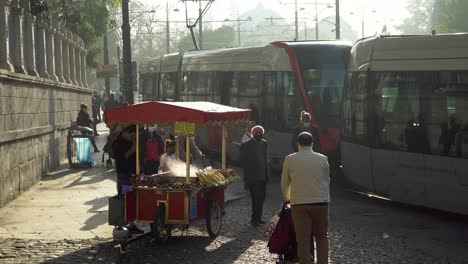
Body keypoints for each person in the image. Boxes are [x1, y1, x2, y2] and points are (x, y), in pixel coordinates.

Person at [281, 132, 330, 264]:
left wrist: (288, 199)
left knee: (302, 239)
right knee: (321, 237)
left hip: (299, 203)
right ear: (312, 143)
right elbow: (326, 180)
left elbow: (285, 183)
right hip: (320, 202)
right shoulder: (323, 159)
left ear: (298, 144)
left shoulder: (290, 159)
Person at [111, 124, 143, 234]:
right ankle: (121, 226)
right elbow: (120, 159)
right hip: (124, 175)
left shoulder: (132, 141)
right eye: (132, 135)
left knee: (133, 199)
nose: (133, 137)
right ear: (125, 133)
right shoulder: (117, 143)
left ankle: (132, 224)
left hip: (133, 174)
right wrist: (132, 150)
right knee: (125, 199)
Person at [240, 125, 269, 227]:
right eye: (257, 132)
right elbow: (243, 161)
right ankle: (254, 219)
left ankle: (259, 217)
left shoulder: (264, 143)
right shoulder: (246, 145)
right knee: (255, 198)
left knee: (261, 198)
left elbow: (265, 158)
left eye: (260, 132)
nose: (259, 134)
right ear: (252, 134)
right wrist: (246, 178)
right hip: (253, 177)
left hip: (263, 176)